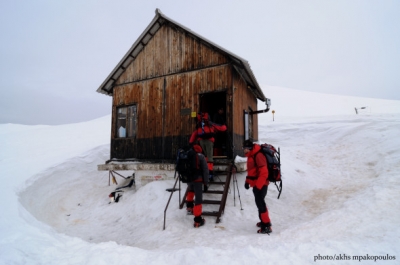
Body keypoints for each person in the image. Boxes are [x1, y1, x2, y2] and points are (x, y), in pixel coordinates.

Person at [243, 139, 272, 234]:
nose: (244, 150)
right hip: (256, 184)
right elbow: (251, 171)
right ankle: (263, 221)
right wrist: (247, 182)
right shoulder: (251, 155)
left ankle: (266, 225)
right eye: (244, 148)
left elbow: (264, 172)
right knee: (259, 203)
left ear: (250, 148)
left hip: (261, 184)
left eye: (246, 148)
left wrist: (259, 186)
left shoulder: (258, 155)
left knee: (261, 204)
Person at [189, 112, 227, 180]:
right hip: (209, 141)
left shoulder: (199, 125)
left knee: (204, 156)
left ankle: (204, 172)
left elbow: (194, 133)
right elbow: (221, 128)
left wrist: (191, 142)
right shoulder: (210, 124)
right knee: (209, 157)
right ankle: (210, 173)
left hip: (201, 141)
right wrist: (225, 126)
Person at [185, 144, 209, 228]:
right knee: (198, 199)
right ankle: (198, 220)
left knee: (190, 191)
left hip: (189, 179)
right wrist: (206, 182)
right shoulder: (201, 156)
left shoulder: (188, 154)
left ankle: (189, 207)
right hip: (197, 180)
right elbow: (205, 170)